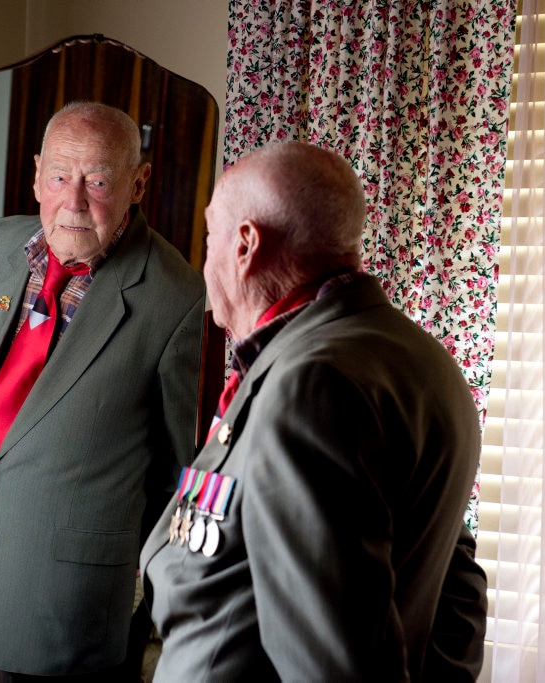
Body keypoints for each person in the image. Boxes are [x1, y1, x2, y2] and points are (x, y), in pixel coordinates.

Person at [139, 141, 487, 681]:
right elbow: (458, 592)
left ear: (245, 245)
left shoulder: (311, 386)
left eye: (210, 238)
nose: (202, 262)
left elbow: (331, 666)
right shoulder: (423, 357)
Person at [0, 101, 205, 680]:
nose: (75, 200)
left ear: (139, 183)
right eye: (60, 176)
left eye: (100, 181)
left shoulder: (175, 296)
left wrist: (157, 616)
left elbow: (177, 472)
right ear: (36, 174)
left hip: (66, 604)